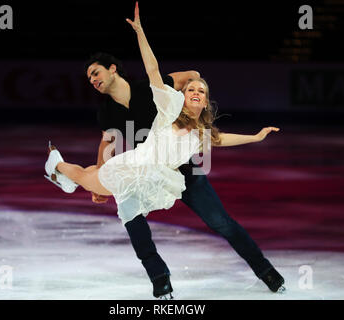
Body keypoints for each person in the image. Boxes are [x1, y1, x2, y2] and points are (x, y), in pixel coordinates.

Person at [45, 2, 285, 299]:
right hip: (137, 169)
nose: (93, 80)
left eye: (96, 73)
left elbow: (219, 137)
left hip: (180, 173)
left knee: (221, 222)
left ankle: (266, 271)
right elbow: (111, 136)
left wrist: (254, 136)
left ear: (112, 69)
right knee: (122, 209)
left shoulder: (165, 102)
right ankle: (159, 278)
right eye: (89, 78)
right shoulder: (157, 106)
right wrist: (140, 31)